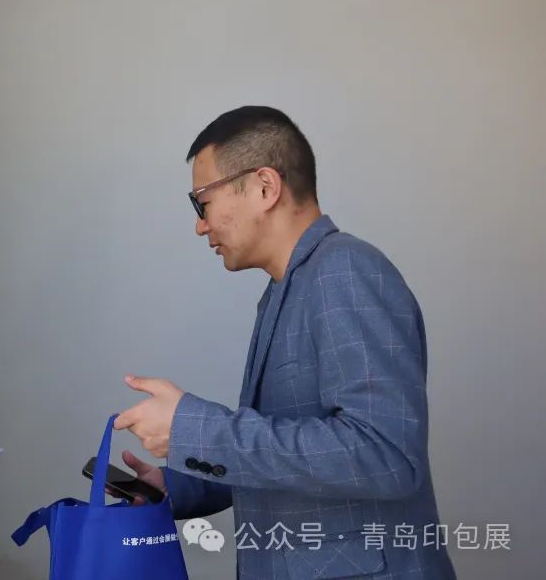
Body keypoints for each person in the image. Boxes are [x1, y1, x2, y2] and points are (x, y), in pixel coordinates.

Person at [114, 106, 456, 578]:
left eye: (202, 202)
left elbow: (385, 455)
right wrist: (180, 486)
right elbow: (295, 455)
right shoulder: (286, 289)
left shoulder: (344, 271)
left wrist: (197, 429)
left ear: (264, 187)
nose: (200, 225)